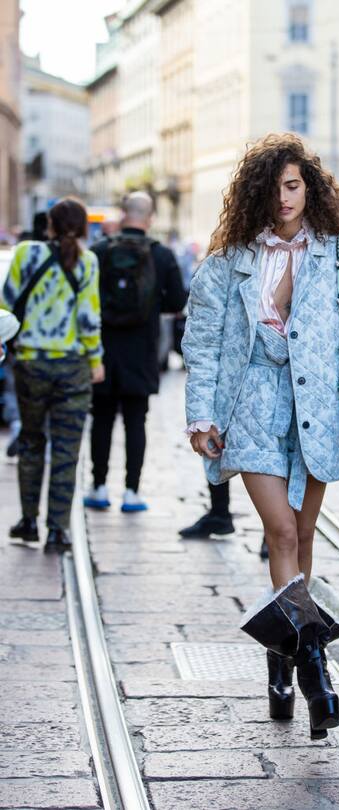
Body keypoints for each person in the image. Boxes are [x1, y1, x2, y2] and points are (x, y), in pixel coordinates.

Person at [182, 133, 339, 739]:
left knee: (301, 535)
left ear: (311, 188)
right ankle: (316, 675)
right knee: (278, 531)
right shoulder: (228, 263)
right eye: (273, 188)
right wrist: (203, 417)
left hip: (316, 410)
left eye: (293, 186)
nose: (284, 198)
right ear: (256, 194)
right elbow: (203, 342)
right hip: (252, 405)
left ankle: (280, 657)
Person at [2, 198, 104, 550]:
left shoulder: (25, 253)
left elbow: (5, 305)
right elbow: (89, 319)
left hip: (31, 364)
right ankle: (58, 529)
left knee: (31, 442)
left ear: (49, 225)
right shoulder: (88, 261)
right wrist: (96, 360)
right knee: (67, 450)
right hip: (72, 367)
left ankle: (29, 521)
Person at [84, 191, 187, 512]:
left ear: (123, 214)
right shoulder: (162, 256)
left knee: (101, 418)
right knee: (135, 421)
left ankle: (99, 487)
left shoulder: (98, 252)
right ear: (150, 217)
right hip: (141, 350)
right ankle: (132, 492)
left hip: (103, 350)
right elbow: (176, 302)